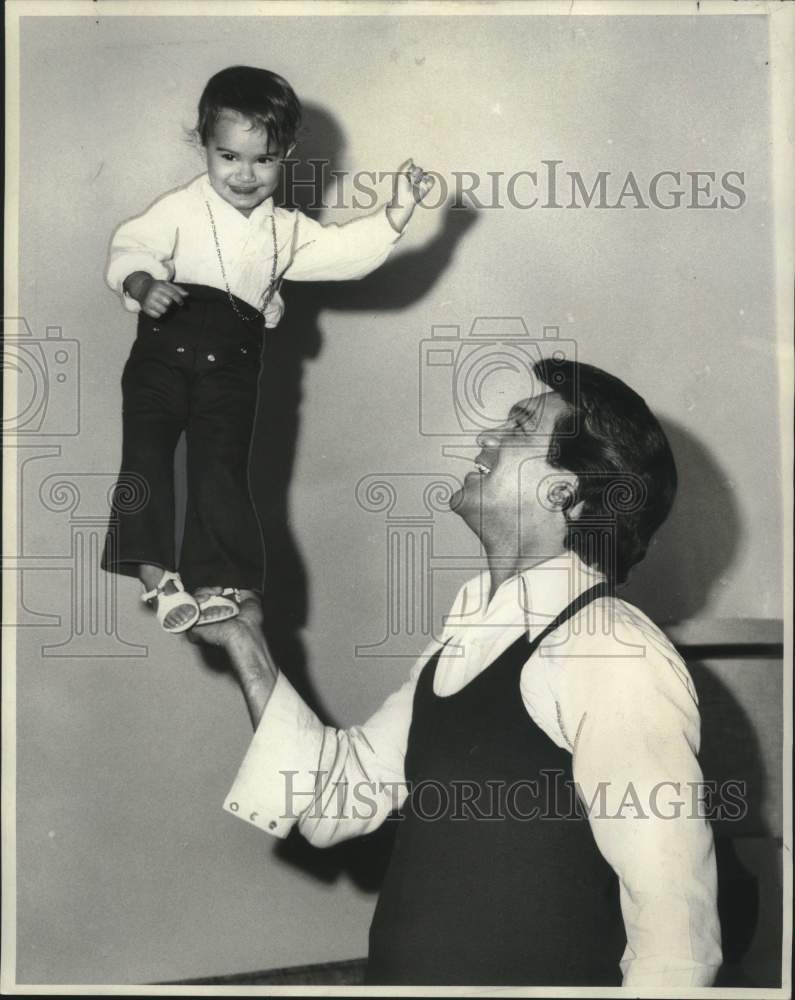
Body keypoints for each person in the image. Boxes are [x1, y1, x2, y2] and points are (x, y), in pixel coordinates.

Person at [190, 359, 722, 987]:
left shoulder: (609, 649)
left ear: (564, 491)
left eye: (518, 427)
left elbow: (676, 935)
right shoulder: (473, 628)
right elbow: (335, 799)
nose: (485, 439)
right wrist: (244, 643)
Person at [101, 65, 434, 633]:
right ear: (203, 146)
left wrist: (397, 214)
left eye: (265, 159)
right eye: (229, 156)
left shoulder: (285, 229)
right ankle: (157, 578)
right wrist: (141, 283)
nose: (246, 174)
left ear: (287, 154)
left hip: (232, 364)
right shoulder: (181, 208)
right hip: (166, 347)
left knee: (221, 471)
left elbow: (346, 253)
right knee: (148, 455)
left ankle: (216, 582)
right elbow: (131, 245)